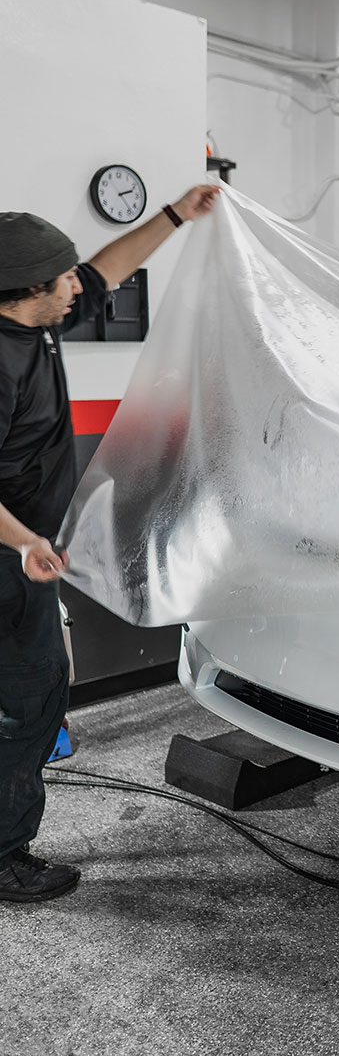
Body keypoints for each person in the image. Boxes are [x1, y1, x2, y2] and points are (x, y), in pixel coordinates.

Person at [0, 184, 220, 903]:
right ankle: (4, 856)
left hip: (23, 556)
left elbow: (106, 269)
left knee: (29, 696)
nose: (79, 287)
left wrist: (175, 216)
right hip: (9, 560)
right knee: (30, 699)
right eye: (64, 278)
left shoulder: (37, 321)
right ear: (29, 287)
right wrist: (28, 541)